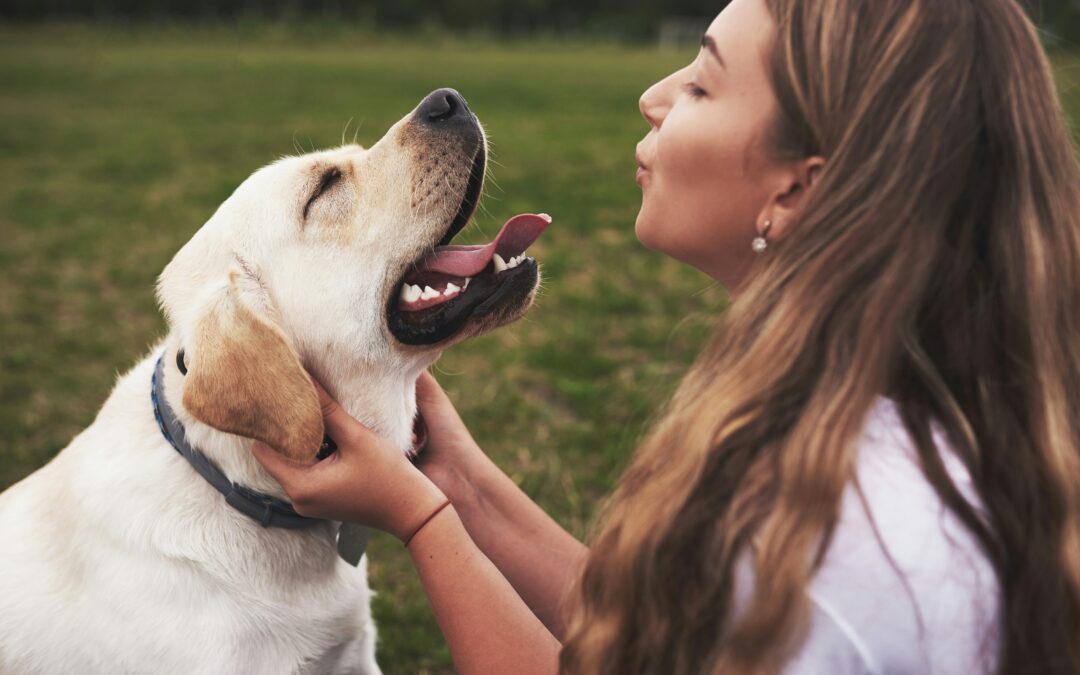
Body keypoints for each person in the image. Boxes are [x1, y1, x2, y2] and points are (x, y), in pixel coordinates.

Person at [251, 0, 1080, 672]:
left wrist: (422, 521)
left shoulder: (828, 539)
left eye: (703, 86)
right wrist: (461, 485)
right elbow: (661, 645)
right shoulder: (893, 425)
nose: (653, 94)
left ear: (796, 191)